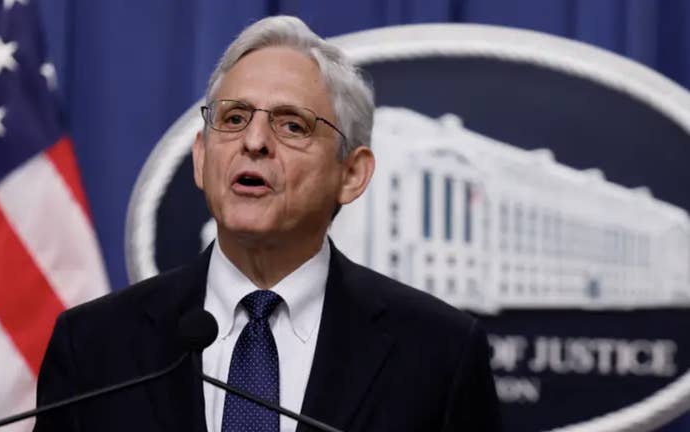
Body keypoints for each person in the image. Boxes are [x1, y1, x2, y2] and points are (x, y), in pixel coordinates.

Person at [34, 15, 501, 432]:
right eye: (234, 118)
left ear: (352, 174)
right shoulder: (95, 346)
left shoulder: (439, 354)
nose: (254, 141)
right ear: (201, 158)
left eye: (292, 125)